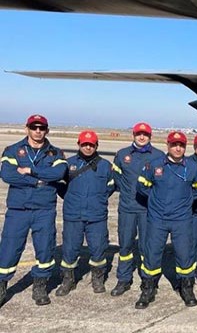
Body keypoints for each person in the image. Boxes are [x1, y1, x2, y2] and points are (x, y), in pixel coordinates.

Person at [135, 131, 197, 309]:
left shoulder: (192, 167)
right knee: (152, 255)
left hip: (181, 219)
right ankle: (148, 288)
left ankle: (186, 288)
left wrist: (188, 199)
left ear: (185, 147)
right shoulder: (155, 165)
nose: (177, 148)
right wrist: (155, 199)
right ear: (168, 146)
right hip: (157, 219)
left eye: (181, 145)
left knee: (185, 255)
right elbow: (141, 185)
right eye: (174, 144)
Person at [0, 114, 67, 306]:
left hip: (44, 209)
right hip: (18, 209)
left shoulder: (56, 153)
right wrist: (38, 181)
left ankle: (40, 287)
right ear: (27, 128)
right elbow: (7, 174)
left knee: (45, 248)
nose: (38, 131)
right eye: (34, 127)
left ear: (47, 130)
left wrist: (31, 171)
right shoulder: (13, 150)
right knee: (9, 248)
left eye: (41, 127)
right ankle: (2, 285)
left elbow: (58, 173)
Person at [56, 130, 115, 296]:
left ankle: (97, 278)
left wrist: (98, 199)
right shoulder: (68, 164)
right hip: (73, 214)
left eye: (91, 144)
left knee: (99, 248)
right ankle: (68, 280)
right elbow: (61, 187)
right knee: (70, 249)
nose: (88, 147)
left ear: (96, 146)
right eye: (84, 144)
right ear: (78, 145)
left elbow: (110, 187)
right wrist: (72, 198)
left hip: (96, 216)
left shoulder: (105, 166)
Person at [110, 122, 164, 297]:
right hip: (127, 208)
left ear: (150, 137)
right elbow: (116, 177)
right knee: (125, 245)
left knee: (147, 246)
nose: (142, 137)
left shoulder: (158, 155)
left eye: (145, 134)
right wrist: (126, 192)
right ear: (133, 135)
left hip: (148, 209)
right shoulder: (122, 155)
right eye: (139, 134)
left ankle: (148, 280)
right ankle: (124, 279)